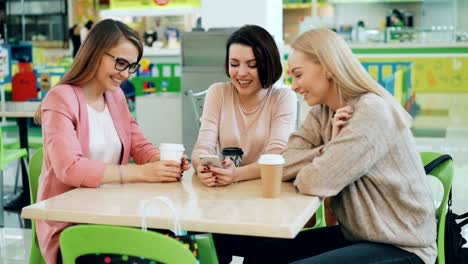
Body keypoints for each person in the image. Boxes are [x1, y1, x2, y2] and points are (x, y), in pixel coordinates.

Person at [222, 28, 436, 264]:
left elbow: (313, 181)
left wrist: (321, 158)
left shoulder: (372, 111)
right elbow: (286, 158)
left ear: (327, 67)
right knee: (260, 255)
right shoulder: (322, 112)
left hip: (402, 246)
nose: (293, 86)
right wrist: (332, 147)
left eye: (298, 75)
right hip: (359, 236)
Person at [34, 19, 190, 264]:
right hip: (71, 226)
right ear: (95, 52)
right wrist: (142, 173)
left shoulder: (115, 96)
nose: (126, 73)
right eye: (120, 63)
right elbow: (70, 169)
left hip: (114, 214)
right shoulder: (60, 98)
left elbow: (139, 146)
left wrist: (163, 162)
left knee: (182, 241)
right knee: (161, 255)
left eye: (131, 66)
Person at [191, 25, 297, 187]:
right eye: (234, 64)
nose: (241, 73)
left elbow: (277, 157)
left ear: (268, 64)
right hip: (226, 192)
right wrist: (202, 167)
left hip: (266, 190)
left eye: (252, 64)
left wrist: (236, 174)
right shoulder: (218, 92)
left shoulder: (283, 98)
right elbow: (203, 146)